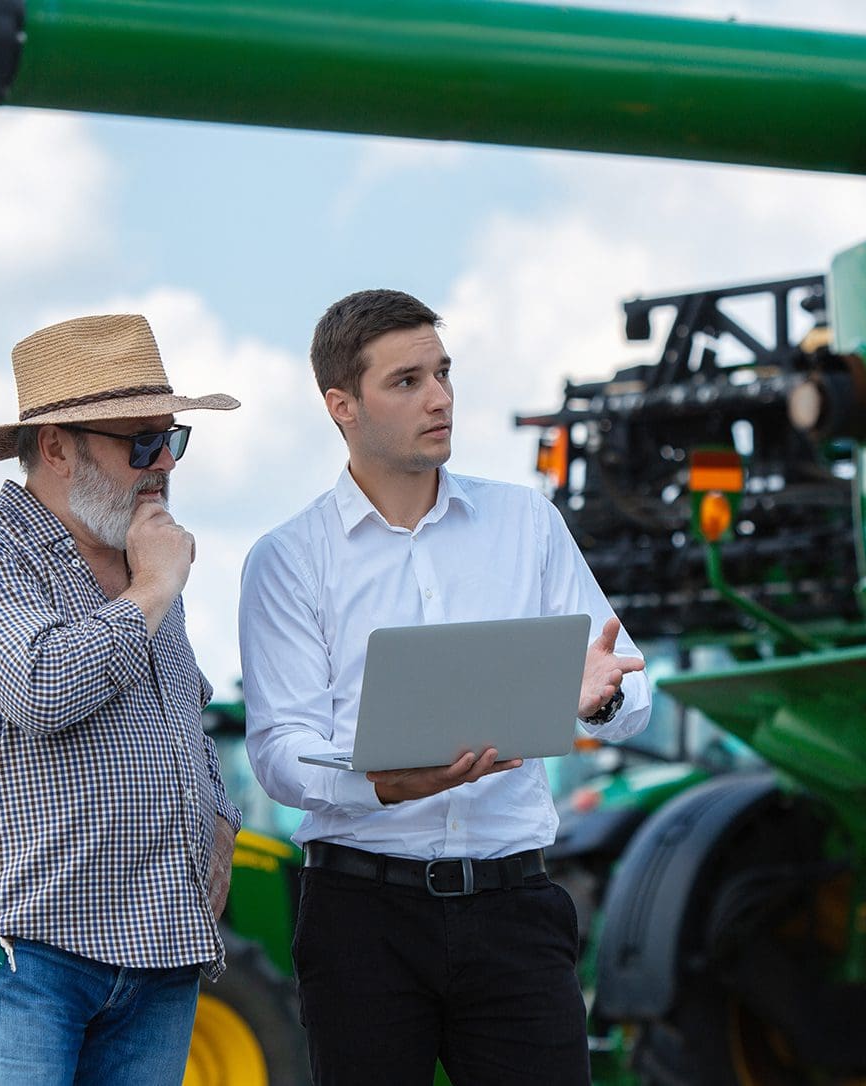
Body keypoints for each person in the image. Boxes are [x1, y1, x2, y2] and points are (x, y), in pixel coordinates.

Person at [238, 289, 650, 1084]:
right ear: (341, 406)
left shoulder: (526, 525)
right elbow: (280, 754)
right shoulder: (288, 559)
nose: (440, 398)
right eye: (406, 381)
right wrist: (384, 784)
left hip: (516, 910)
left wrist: (599, 697)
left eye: (443, 372)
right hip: (361, 919)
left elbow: (629, 693)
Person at [0, 314, 246, 1085]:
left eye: (172, 440)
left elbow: (183, 714)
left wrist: (220, 820)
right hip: (28, 953)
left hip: (158, 954)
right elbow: (44, 687)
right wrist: (155, 587)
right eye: (140, 442)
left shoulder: (142, 568)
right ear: (56, 446)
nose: (162, 464)